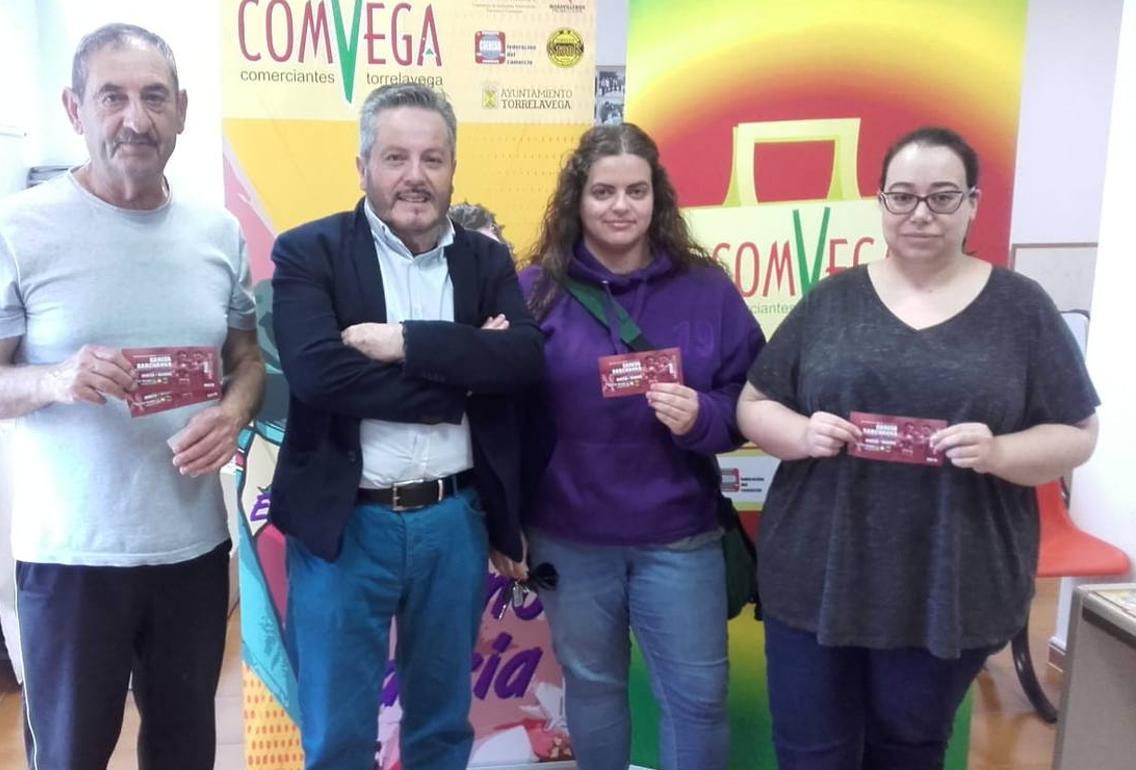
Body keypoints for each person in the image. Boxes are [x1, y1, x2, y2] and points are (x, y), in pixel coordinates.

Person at [0, 23, 265, 770]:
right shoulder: (19, 228)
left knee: (184, 750)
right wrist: (54, 379)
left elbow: (246, 358)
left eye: (154, 97)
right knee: (70, 754)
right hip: (70, 558)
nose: (135, 118)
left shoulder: (218, 234)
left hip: (192, 551)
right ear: (75, 108)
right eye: (112, 97)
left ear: (181, 110)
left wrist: (234, 410)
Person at [736, 126, 1100, 770]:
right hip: (817, 572)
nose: (921, 213)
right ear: (881, 202)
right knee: (810, 752)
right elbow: (754, 403)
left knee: (909, 750)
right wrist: (802, 434)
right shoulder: (831, 300)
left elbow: (1078, 433)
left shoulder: (1021, 309)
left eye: (942, 196)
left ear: (972, 204)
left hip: (949, 582)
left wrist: (999, 452)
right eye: (902, 196)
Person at [269, 83, 543, 769]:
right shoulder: (309, 252)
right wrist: (462, 371)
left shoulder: (485, 260)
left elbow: (523, 359)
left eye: (432, 158)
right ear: (363, 165)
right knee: (337, 737)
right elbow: (320, 376)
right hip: (345, 528)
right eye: (396, 157)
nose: (415, 176)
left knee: (442, 729)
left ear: (452, 168)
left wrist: (404, 343)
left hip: (453, 524)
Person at [517, 123, 765, 770]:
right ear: (576, 200)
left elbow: (754, 396)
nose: (620, 206)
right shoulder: (533, 291)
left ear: (658, 198)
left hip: (680, 537)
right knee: (593, 689)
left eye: (636, 190)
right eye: (603, 192)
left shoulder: (706, 289)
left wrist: (704, 415)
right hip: (569, 538)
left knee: (698, 700)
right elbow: (504, 414)